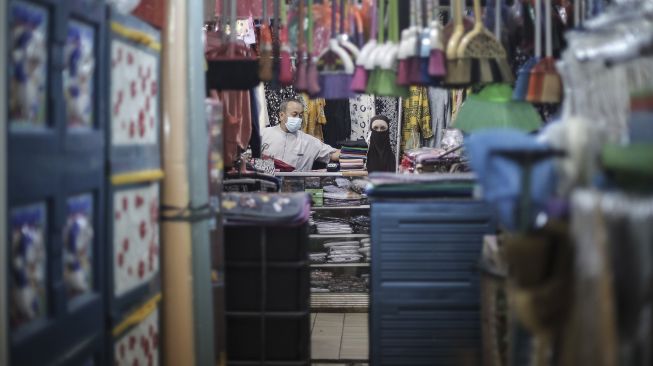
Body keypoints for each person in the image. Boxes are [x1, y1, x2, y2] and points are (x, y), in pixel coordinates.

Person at [262, 98, 340, 171]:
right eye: (294, 114)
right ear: (281, 115)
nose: (298, 118)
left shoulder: (309, 141)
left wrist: (350, 152)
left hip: (296, 183)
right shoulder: (263, 134)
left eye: (300, 115)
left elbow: (333, 154)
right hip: (267, 183)